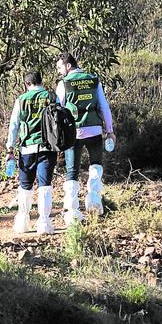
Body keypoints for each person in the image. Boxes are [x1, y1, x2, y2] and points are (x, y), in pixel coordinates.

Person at [55, 52, 115, 224]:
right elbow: (104, 106)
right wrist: (109, 130)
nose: (59, 71)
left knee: (72, 171)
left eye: (60, 67)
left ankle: (73, 212)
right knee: (95, 165)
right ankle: (94, 203)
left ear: (68, 66)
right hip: (95, 131)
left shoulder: (64, 83)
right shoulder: (94, 80)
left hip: (73, 133)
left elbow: (57, 110)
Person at [6, 70, 58, 235]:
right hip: (47, 147)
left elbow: (14, 125)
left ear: (26, 84)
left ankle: (23, 222)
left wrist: (10, 148)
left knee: (25, 185)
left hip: (27, 148)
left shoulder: (21, 100)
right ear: (41, 81)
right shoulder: (51, 96)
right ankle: (44, 223)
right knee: (45, 186)